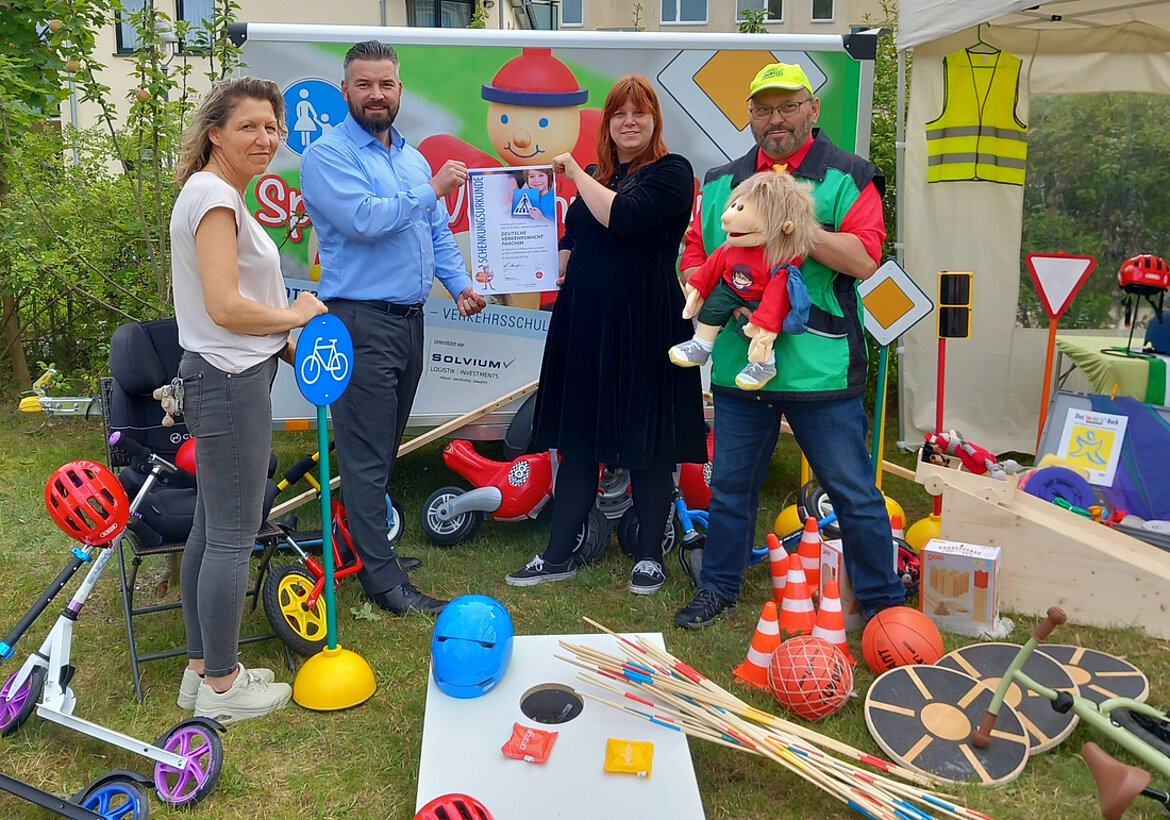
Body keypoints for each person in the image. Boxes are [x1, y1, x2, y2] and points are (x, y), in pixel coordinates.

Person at [673, 62, 906, 629]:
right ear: (750, 117)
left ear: (812, 110)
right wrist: (707, 288)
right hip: (737, 362)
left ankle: (882, 605)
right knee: (729, 489)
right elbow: (696, 255)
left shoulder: (849, 175)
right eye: (762, 109)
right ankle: (720, 589)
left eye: (787, 106)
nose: (775, 119)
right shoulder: (723, 180)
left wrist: (793, 227)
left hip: (820, 369)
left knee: (852, 491)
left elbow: (864, 258)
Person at [299, 41, 487, 616]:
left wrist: (458, 286)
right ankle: (384, 586)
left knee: (382, 449)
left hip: (409, 322)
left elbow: (432, 234)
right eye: (364, 85)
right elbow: (365, 221)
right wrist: (433, 190)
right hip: (356, 323)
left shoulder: (409, 157)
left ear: (399, 90)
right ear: (346, 89)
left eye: (386, 84)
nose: (376, 94)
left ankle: (370, 554)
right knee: (363, 456)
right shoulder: (328, 155)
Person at [505, 74, 706, 594]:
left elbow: (623, 217)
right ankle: (557, 554)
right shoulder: (599, 174)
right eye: (620, 114)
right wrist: (554, 258)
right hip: (587, 320)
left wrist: (571, 170)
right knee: (578, 437)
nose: (630, 122)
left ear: (655, 121)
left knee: (649, 438)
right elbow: (577, 230)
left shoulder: (672, 172)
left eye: (640, 113)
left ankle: (648, 557)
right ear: (609, 123)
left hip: (647, 319)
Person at [170, 77, 328, 721]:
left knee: (211, 529)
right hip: (229, 381)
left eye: (273, 127)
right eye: (249, 127)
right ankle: (224, 687)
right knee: (233, 537)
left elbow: (228, 312)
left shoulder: (214, 194)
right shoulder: (214, 198)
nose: (265, 139)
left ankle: (200, 671)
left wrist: (289, 345)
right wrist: (294, 316)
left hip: (226, 372)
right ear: (216, 135)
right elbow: (226, 307)